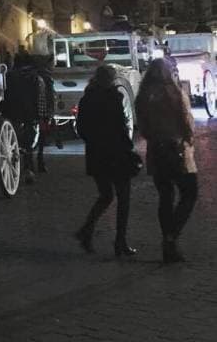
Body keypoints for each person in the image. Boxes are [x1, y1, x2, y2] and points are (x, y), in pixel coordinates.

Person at [135, 58, 198, 263]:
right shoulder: (173, 93)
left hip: (156, 149)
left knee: (165, 196)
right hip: (176, 148)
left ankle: (168, 240)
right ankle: (171, 237)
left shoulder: (143, 96)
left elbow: (142, 125)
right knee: (189, 192)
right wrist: (188, 139)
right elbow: (186, 120)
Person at [74, 65, 138, 257]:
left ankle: (86, 230)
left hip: (96, 155)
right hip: (116, 154)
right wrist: (128, 149)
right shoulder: (113, 97)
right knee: (123, 198)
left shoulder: (87, 98)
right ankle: (120, 241)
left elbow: (81, 129)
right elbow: (121, 127)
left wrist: (94, 142)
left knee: (106, 195)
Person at [2, 51, 42, 184]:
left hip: (12, 112)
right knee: (28, 142)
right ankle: (28, 167)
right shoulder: (34, 77)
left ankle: (16, 161)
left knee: (14, 139)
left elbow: (4, 94)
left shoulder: (9, 76)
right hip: (29, 112)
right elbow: (38, 97)